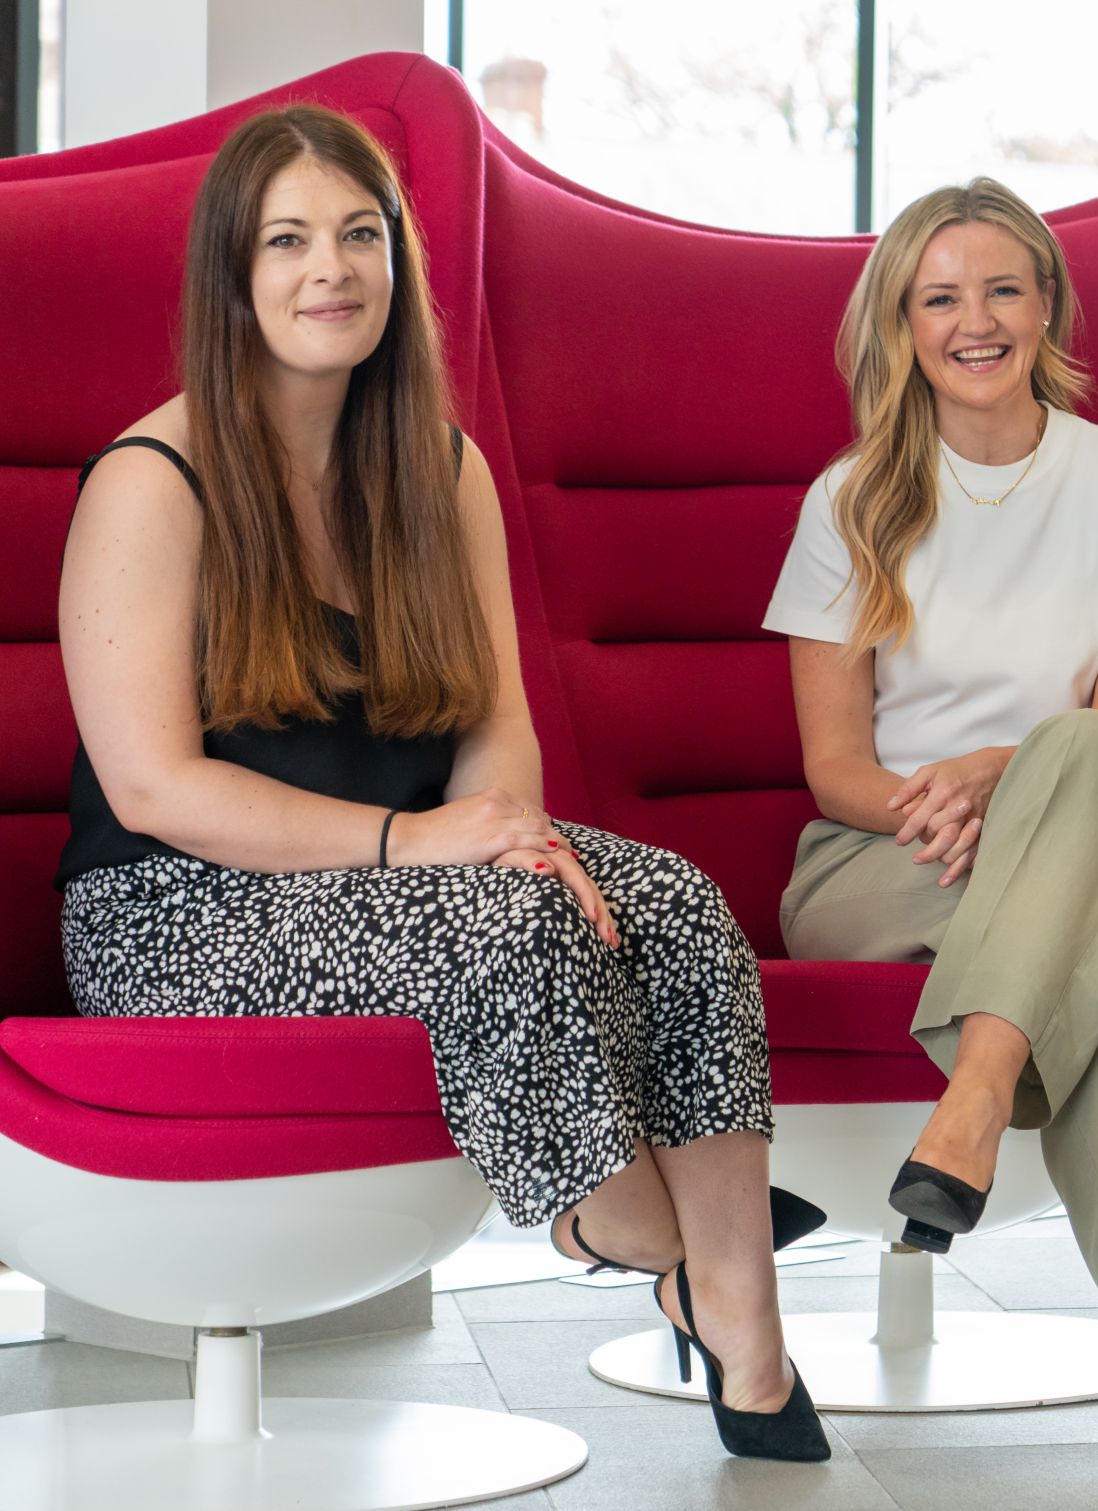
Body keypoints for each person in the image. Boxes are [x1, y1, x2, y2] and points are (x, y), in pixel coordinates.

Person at [55, 105, 827, 1463]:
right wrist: (430, 843)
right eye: (288, 240)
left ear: (398, 264)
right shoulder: (151, 477)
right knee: (503, 917)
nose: (329, 269)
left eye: (361, 235)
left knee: (677, 904)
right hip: (173, 909)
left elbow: (494, 724)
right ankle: (634, 1223)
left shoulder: (439, 470)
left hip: (398, 872)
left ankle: (743, 1324)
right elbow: (159, 787)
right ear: (233, 272)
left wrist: (511, 831)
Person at [766, 178, 1098, 1473]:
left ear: (1047, 305)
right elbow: (834, 767)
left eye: (1001, 289)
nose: (972, 320)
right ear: (901, 324)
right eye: (939, 297)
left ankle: (976, 1093)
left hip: (1086, 827)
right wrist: (953, 801)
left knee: (1084, 764)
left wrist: (1007, 775)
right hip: (885, 857)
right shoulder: (850, 498)